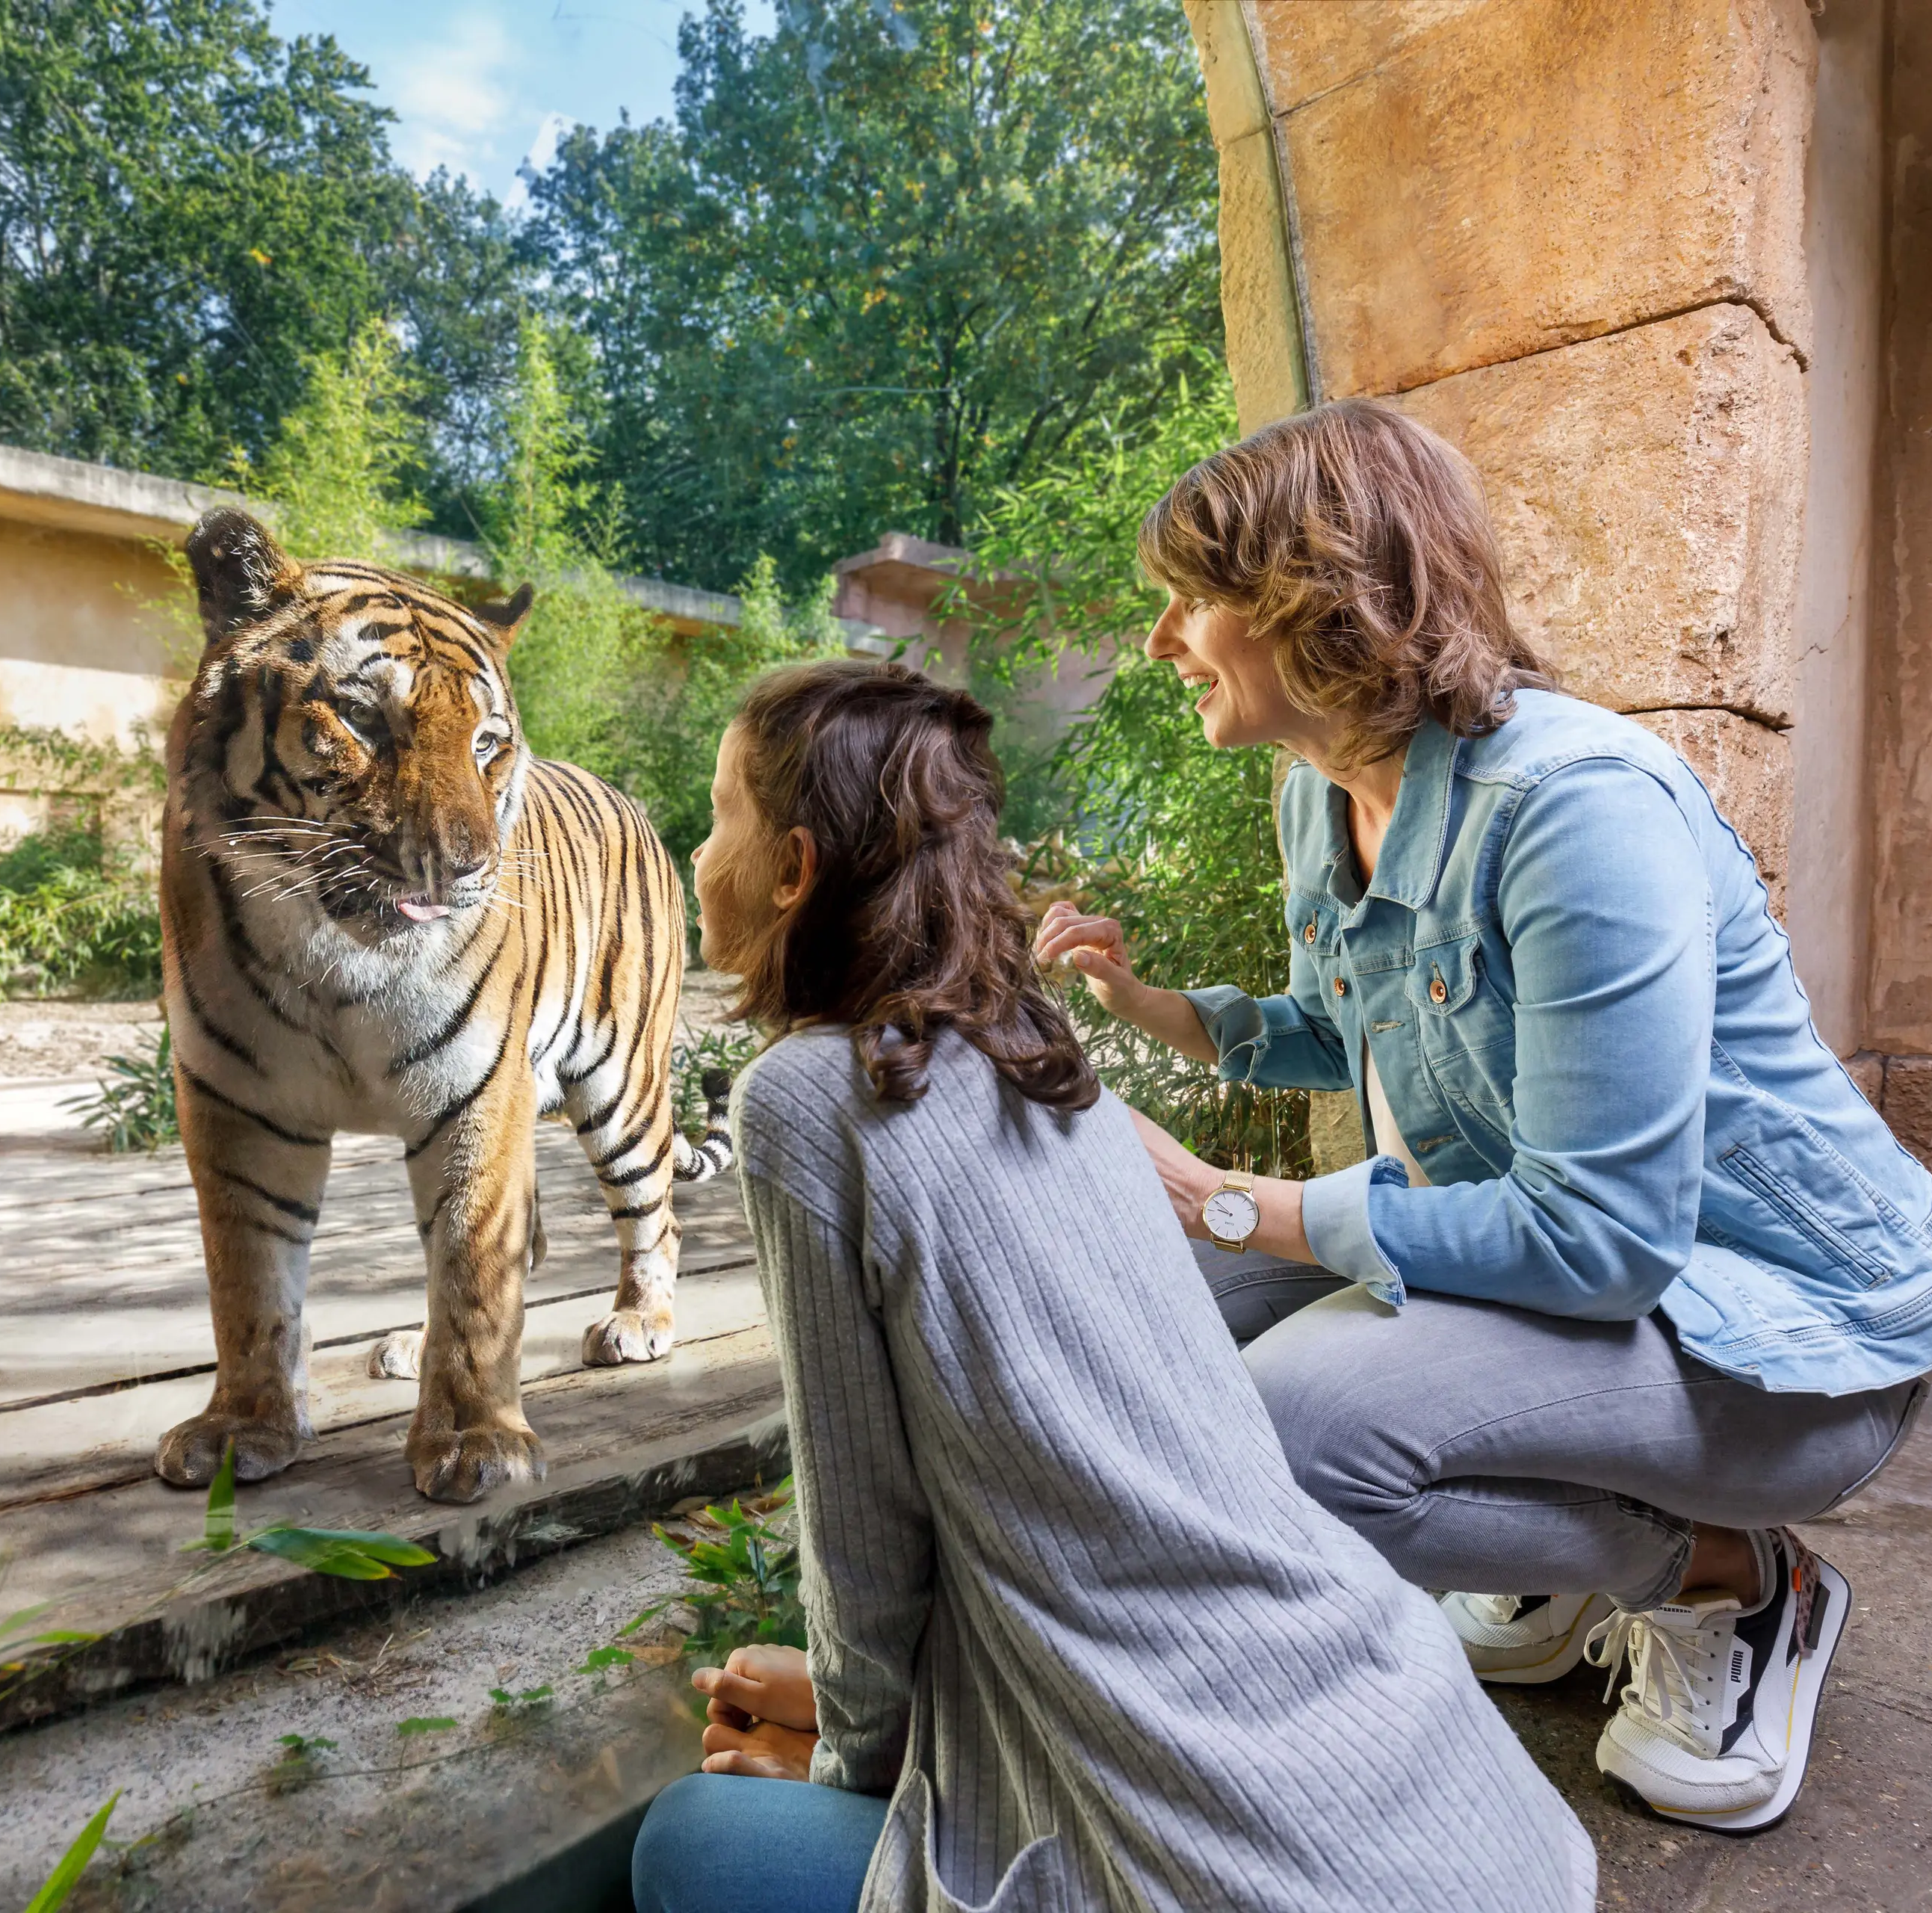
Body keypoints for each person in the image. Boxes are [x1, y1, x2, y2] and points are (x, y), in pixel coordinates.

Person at [1035, 399, 1932, 1835]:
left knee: (1298, 1426)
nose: (1162, 640)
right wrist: (1159, 1009)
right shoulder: (1321, 795)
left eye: (1192, 601)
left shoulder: (1574, 806)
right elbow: (1362, 1029)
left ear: (1313, 598)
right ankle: (1556, 1558)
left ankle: (1736, 1578)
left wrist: (1236, 1200)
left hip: (1792, 1337)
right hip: (1595, 1288)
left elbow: (1603, 1238)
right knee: (1139, 1300)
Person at [631, 658, 1594, 1913]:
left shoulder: (811, 1103)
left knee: (692, 1840)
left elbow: (866, 1537)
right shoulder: (1037, 1044)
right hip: (1459, 1815)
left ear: (797, 869)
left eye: (717, 819)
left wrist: (863, 1762)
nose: (698, 854)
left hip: (1253, 1871)